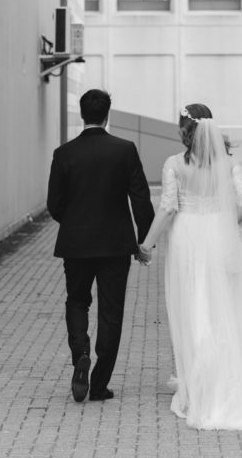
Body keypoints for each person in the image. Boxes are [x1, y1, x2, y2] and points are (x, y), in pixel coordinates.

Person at [138, 103, 242, 431]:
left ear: (185, 130)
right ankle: (233, 377)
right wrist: (226, 223)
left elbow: (168, 208)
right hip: (219, 235)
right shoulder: (228, 164)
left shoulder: (174, 164)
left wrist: (146, 244)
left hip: (189, 237)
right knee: (227, 306)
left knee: (195, 307)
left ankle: (203, 385)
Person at [47, 88, 154, 403]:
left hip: (76, 244)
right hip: (115, 245)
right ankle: (99, 384)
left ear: (82, 115)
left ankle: (80, 352)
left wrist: (75, 223)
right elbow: (140, 197)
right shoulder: (124, 150)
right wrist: (144, 239)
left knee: (77, 301)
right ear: (108, 115)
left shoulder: (63, 154)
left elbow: (55, 204)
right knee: (111, 312)